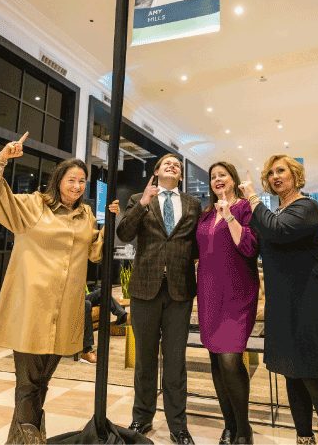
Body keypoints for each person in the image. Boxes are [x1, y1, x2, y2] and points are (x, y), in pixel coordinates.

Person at [0, 132, 106, 445]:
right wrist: (2, 160)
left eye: (82, 182)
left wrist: (116, 223)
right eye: (71, 179)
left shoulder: (87, 215)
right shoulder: (34, 206)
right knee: (28, 382)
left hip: (66, 310)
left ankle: (18, 440)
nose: (77, 187)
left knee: (41, 383)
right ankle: (32, 439)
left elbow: (96, 252)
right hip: (32, 305)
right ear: (59, 179)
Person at [239, 156, 318, 445]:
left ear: (295, 175)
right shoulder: (276, 212)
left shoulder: (307, 207)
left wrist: (252, 195)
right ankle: (305, 439)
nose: (276, 177)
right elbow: (260, 240)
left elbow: (276, 231)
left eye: (281, 171)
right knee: (291, 373)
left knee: (315, 377)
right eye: (271, 173)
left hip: (310, 303)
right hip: (283, 303)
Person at [117, 154, 202, 444]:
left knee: (176, 361)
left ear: (180, 176)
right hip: (144, 289)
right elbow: (124, 233)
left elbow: (198, 244)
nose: (172, 165)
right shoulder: (140, 198)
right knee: (145, 359)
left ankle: (178, 425)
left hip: (179, 291)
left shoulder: (193, 203)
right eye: (167, 162)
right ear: (156, 171)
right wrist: (142, 204)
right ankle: (141, 419)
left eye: (177, 165)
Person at [196, 162, 259, 445]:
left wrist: (230, 216)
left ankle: (244, 428)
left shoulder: (245, 209)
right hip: (209, 293)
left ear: (233, 180)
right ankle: (229, 425)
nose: (217, 179)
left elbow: (249, 248)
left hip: (238, 293)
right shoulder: (206, 214)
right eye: (213, 177)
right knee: (216, 361)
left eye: (223, 175)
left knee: (231, 360)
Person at [81, 288, 130, 365]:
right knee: (86, 304)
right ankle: (87, 351)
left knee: (102, 292)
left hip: (78, 297)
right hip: (67, 301)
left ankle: (123, 316)